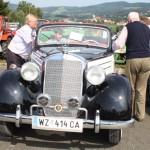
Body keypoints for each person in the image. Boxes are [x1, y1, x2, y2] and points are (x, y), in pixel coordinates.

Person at [112, 12, 150, 122]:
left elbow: (119, 44)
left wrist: (112, 47)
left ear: (129, 20)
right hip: (147, 60)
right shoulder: (147, 27)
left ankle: (129, 114)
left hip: (132, 59)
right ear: (138, 19)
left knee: (130, 88)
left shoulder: (127, 27)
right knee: (141, 89)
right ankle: (140, 115)